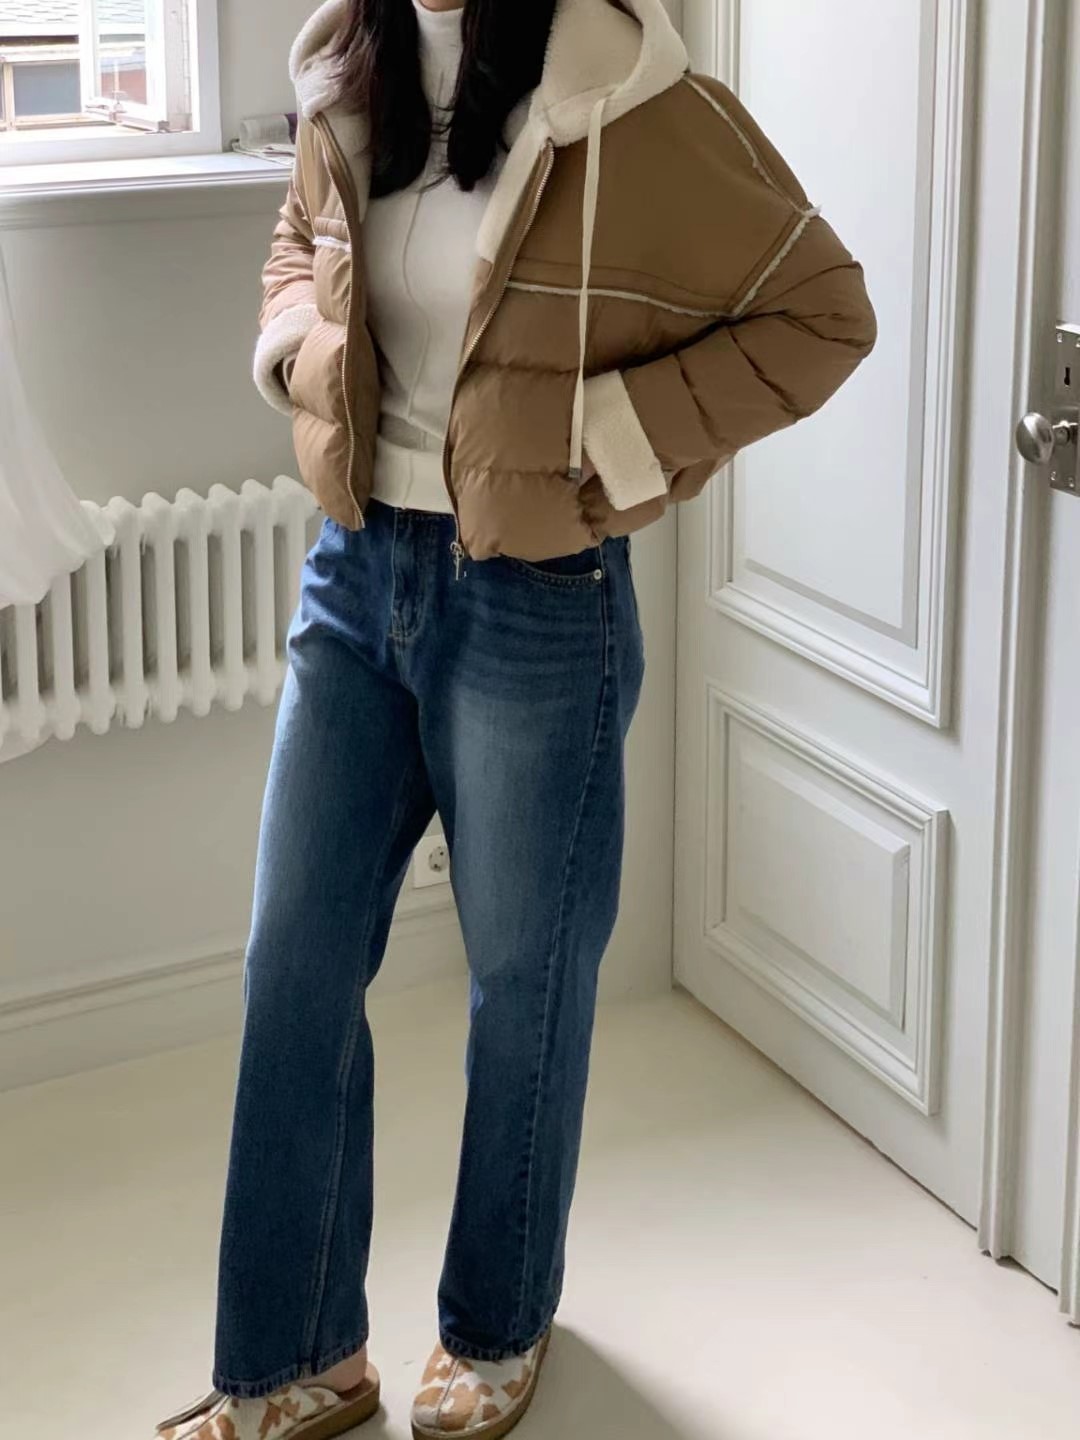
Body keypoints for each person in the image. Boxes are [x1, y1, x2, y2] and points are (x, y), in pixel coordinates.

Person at [154, 1, 876, 1437]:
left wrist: (605, 439)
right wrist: (298, 355)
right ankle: (297, 1362)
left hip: (539, 594)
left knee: (522, 989)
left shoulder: (622, 87)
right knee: (293, 967)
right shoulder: (345, 68)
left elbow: (821, 314)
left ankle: (496, 1328)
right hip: (355, 572)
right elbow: (301, 245)